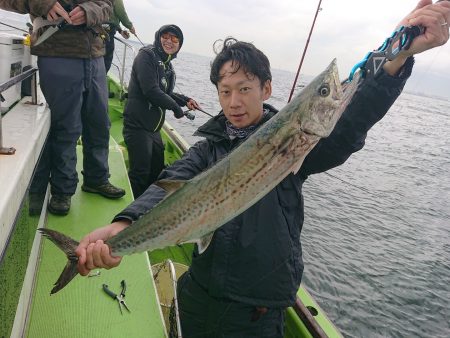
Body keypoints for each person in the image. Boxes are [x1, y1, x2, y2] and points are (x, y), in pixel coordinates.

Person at [75, 1, 449, 337]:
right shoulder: (208, 149)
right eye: (225, 91)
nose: (234, 102)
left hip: (256, 316)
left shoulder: (296, 148)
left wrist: (397, 57)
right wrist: (121, 226)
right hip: (197, 298)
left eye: (245, 88)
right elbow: (168, 185)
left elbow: (349, 127)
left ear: (266, 89)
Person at [0, 0, 126, 216]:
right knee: (66, 127)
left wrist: (90, 11)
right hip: (58, 54)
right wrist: (42, 3)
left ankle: (97, 179)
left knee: (99, 124)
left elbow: (107, 6)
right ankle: (62, 190)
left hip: (95, 57)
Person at [123, 24, 201, 198]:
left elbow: (165, 92)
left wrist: (185, 100)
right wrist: (176, 108)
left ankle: (147, 206)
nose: (169, 41)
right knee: (140, 173)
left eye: (175, 39)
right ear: (158, 37)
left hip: (154, 129)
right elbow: (150, 90)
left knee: (156, 172)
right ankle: (130, 214)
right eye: (165, 36)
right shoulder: (146, 56)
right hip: (137, 125)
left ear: (179, 45)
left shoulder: (167, 66)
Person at [103, 0, 135, 74]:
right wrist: (130, 26)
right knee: (106, 60)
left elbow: (111, 15)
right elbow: (121, 13)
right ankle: (100, 81)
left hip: (96, 29)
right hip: (106, 32)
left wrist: (120, 30)